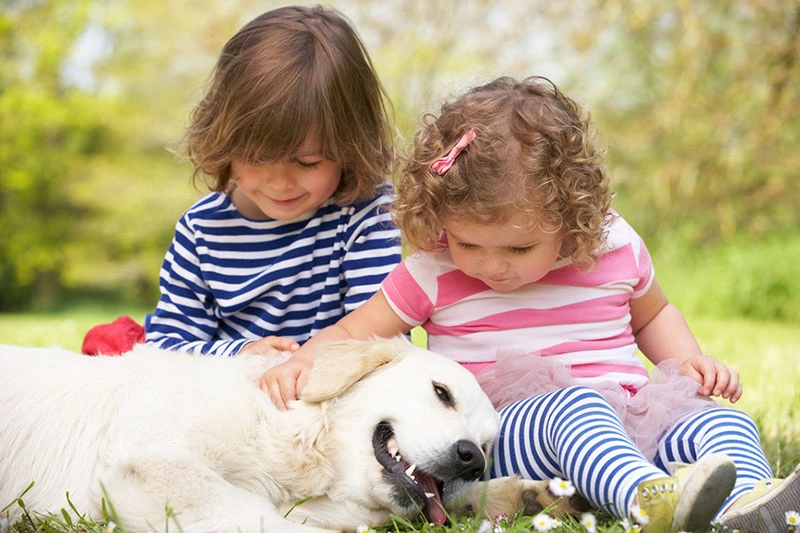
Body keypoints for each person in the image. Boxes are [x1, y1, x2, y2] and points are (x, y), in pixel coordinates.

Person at [260, 76, 799, 532]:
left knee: (713, 419)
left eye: (519, 248)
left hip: (633, 410)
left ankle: (749, 504)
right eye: (469, 244)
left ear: (571, 219)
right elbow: (360, 331)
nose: (492, 266)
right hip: (507, 430)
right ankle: (644, 500)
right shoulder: (432, 269)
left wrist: (687, 365)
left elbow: (653, 314)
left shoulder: (614, 247)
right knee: (577, 409)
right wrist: (309, 356)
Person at [141, 5, 402, 356]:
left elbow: (379, 341)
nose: (280, 183)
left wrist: (303, 366)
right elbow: (165, 350)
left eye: (307, 162)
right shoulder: (201, 230)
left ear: (351, 144)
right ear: (225, 139)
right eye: (258, 158)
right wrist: (241, 356)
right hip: (231, 398)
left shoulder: (365, 214)